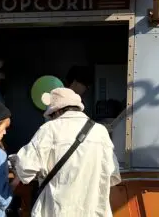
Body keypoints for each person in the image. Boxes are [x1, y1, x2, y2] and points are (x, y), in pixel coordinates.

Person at [12, 87, 121, 217]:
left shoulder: (49, 129)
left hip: (57, 211)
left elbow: (25, 168)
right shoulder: (100, 131)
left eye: (51, 115)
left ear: (57, 112)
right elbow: (113, 175)